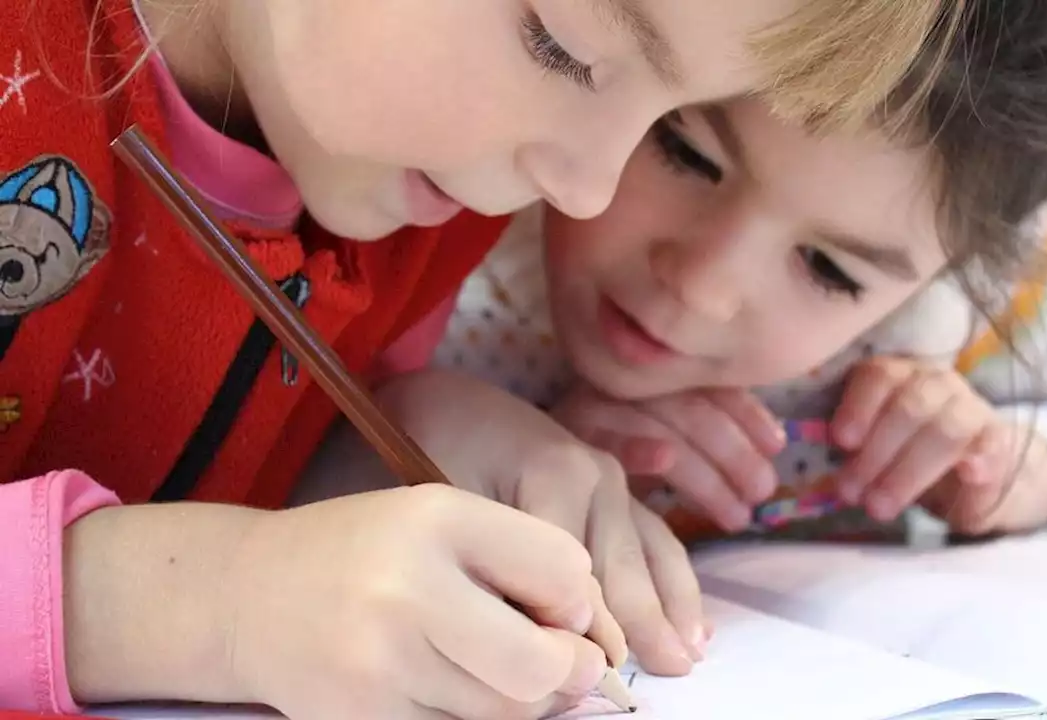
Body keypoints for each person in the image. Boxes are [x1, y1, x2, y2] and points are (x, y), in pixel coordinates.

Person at [0, 0, 963, 718]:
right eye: (565, 46)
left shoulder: (418, 201)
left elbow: (223, 471)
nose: (587, 191)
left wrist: (392, 440)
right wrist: (214, 605)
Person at [431, 0, 1047, 548]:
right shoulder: (453, 217)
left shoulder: (949, 310)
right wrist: (501, 452)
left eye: (829, 269)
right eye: (684, 153)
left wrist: (1015, 468)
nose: (702, 286)